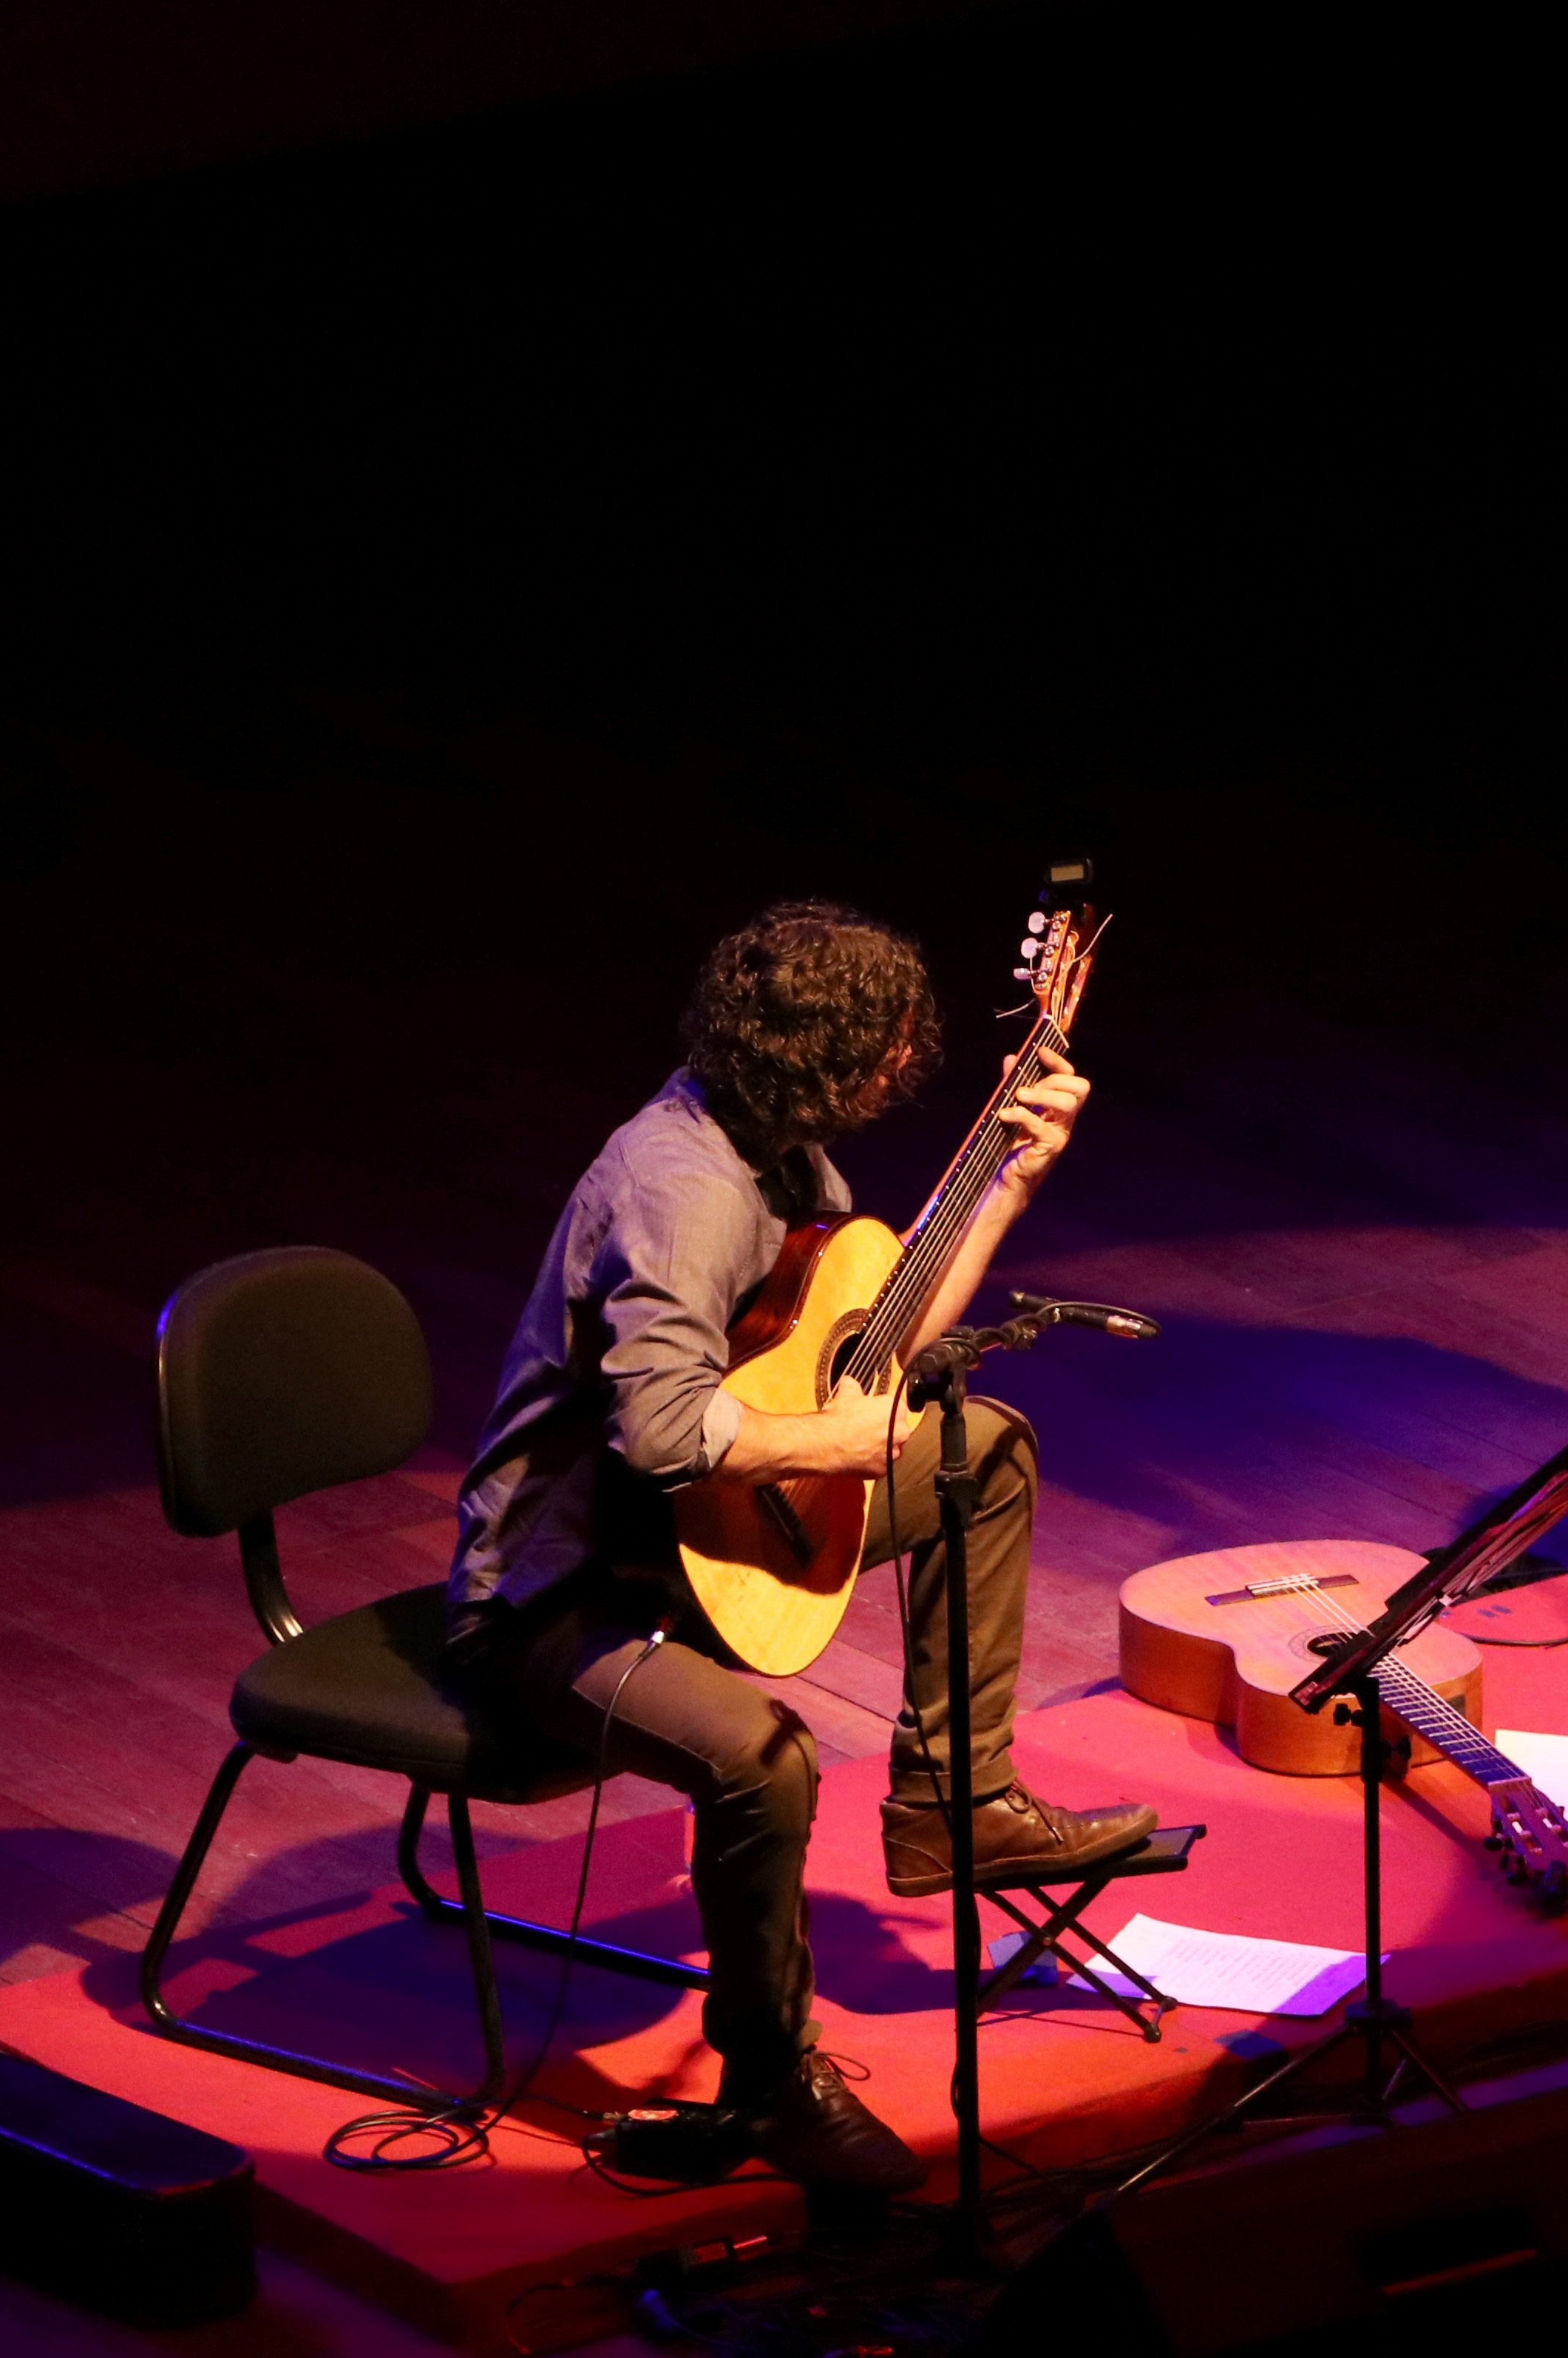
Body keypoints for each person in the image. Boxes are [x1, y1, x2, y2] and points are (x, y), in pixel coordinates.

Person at [443, 901, 1155, 2192]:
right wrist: (830, 1445)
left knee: (983, 1446)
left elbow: (874, 1349)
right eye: (889, 1047)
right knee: (762, 1760)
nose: (908, 1064)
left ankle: (958, 1803)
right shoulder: (682, 1192)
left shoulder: (777, 1151)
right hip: (558, 1597)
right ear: (824, 1057)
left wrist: (1008, 1181)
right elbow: (660, 1431)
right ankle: (770, 2082)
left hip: (698, 1542)